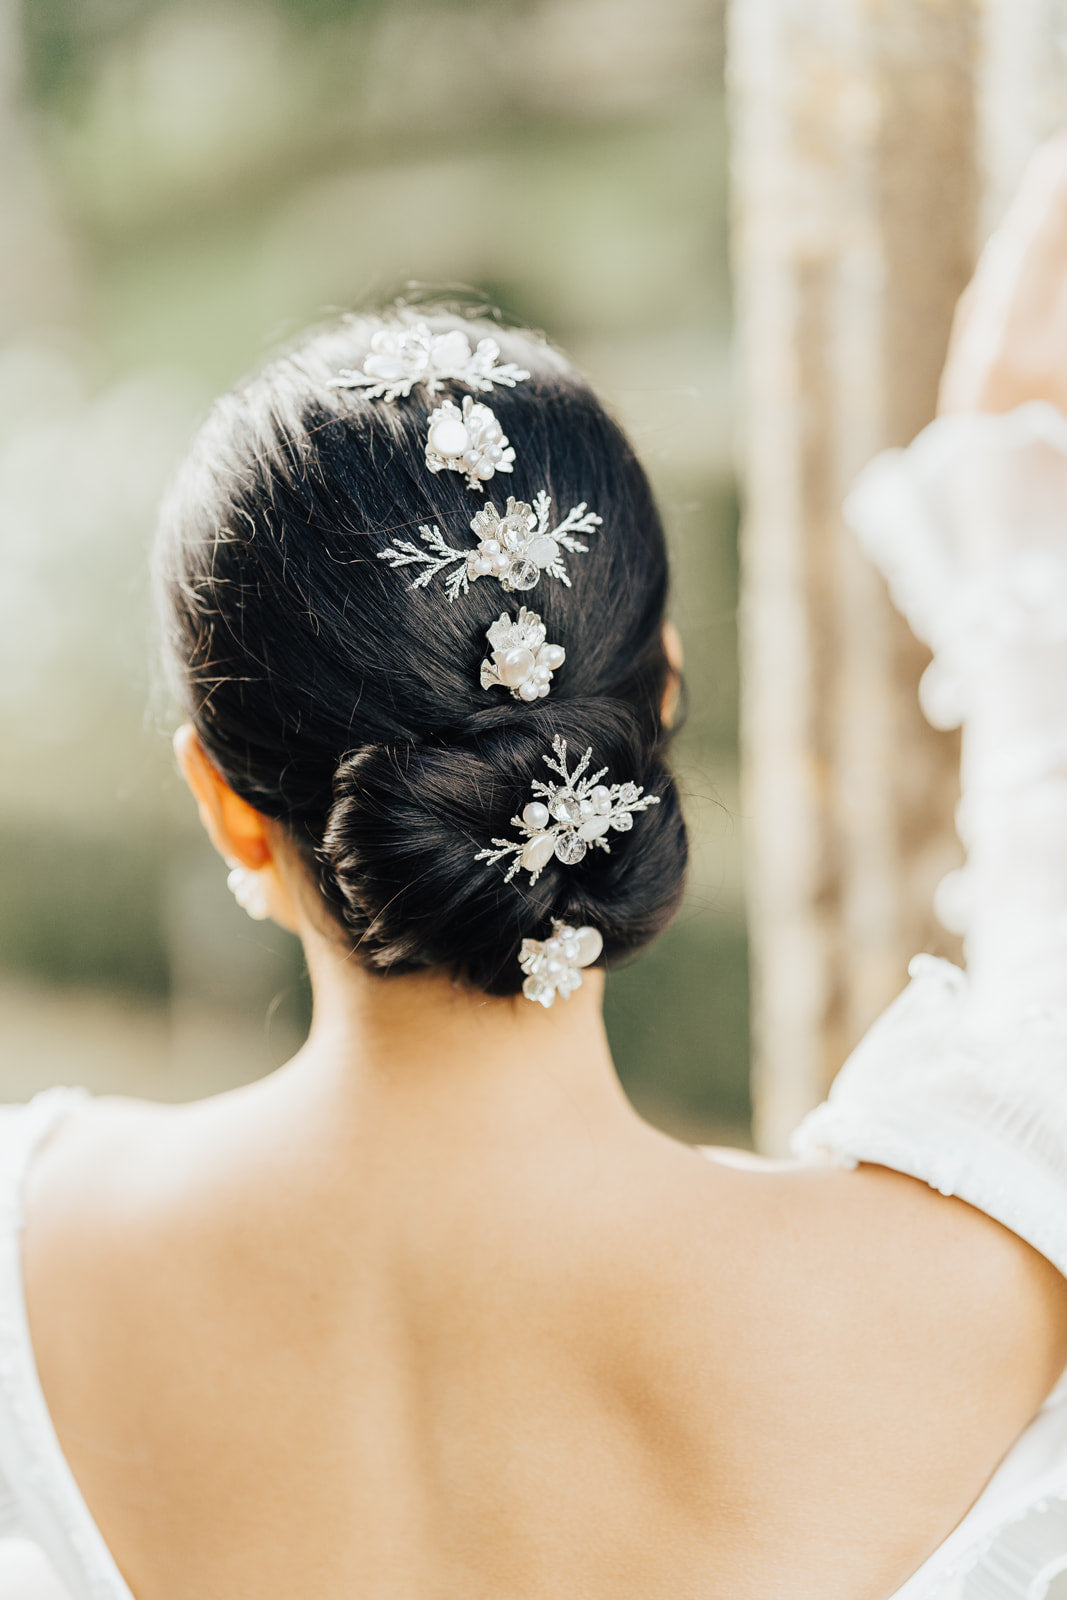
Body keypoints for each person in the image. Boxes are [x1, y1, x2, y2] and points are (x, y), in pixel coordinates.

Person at [4, 143, 1067, 1600]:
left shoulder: (27, 1264)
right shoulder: (989, 1294)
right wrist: (1024, 513)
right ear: (661, 704)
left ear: (228, 807)